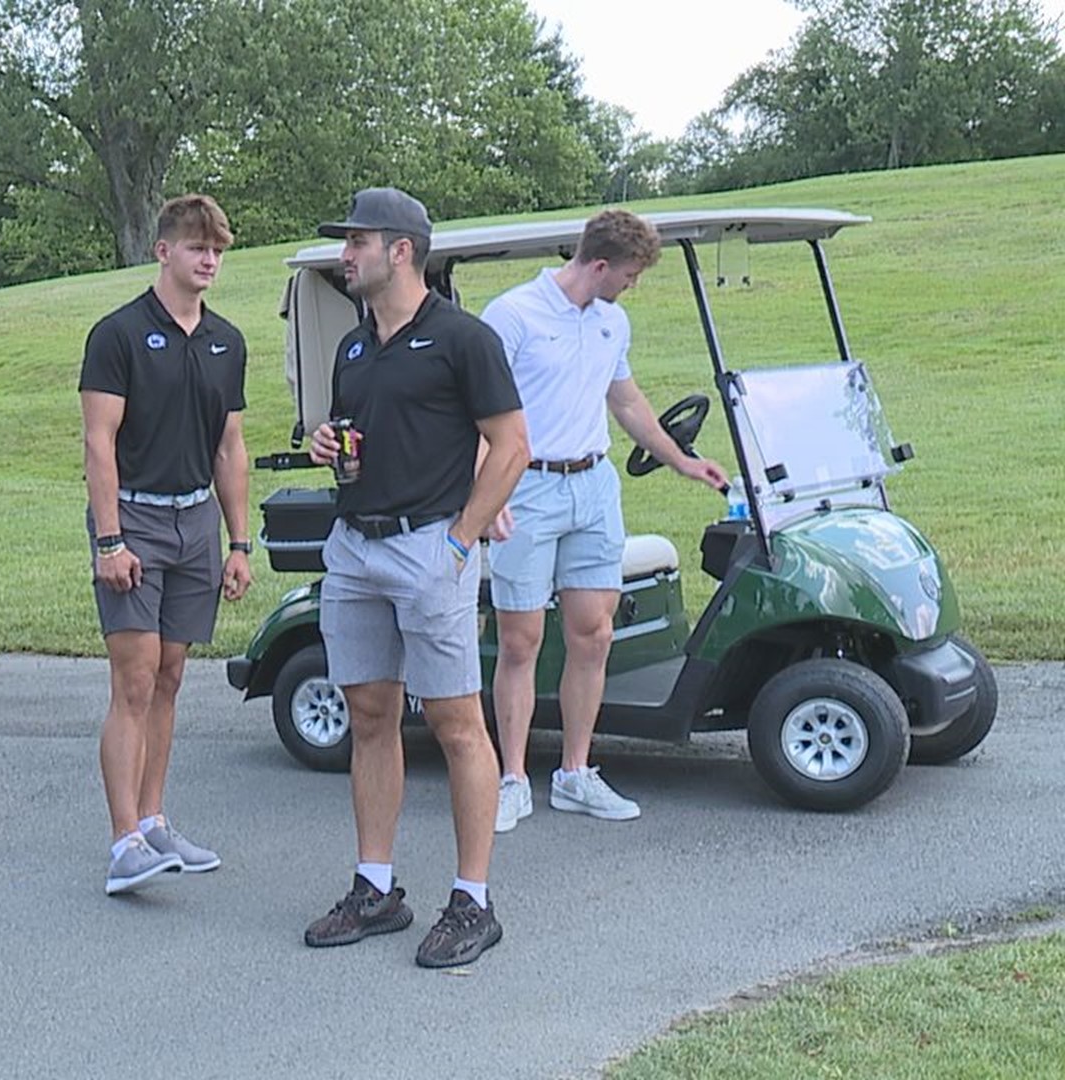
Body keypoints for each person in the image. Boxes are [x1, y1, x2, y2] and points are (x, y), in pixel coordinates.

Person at [300, 188, 529, 969]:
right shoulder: (355, 347)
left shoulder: (464, 338)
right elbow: (360, 433)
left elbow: (511, 446)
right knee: (369, 714)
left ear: (401, 250)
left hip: (430, 550)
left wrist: (462, 541)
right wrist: (328, 443)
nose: (345, 254)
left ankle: (473, 900)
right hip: (355, 548)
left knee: (457, 721)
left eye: (356, 241)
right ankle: (376, 888)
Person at [481, 209, 728, 832]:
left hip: (593, 487)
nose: (633, 285)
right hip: (528, 486)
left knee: (593, 634)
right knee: (521, 640)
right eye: (630, 274)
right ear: (598, 265)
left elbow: (625, 400)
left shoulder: (612, 322)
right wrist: (488, 494)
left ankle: (574, 772)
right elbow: (475, 411)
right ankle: (511, 779)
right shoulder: (512, 316)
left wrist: (682, 461)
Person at [79, 194, 252, 896]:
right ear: (163, 252)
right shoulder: (118, 334)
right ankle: (124, 841)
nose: (208, 259)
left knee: (172, 673)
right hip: (134, 519)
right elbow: (99, 441)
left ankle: (153, 821)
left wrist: (240, 541)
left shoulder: (226, 341)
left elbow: (229, 444)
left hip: (196, 522)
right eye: (195, 247)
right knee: (135, 675)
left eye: (216, 249)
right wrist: (109, 537)